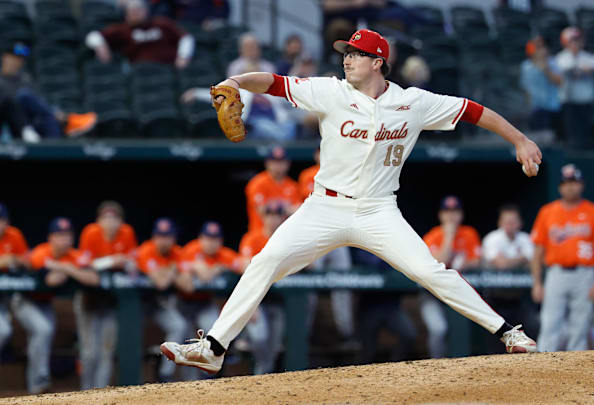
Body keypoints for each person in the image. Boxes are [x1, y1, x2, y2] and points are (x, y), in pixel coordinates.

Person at [161, 28, 541, 374]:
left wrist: (519, 139)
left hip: (378, 209)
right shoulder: (330, 90)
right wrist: (236, 80)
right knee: (265, 262)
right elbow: (274, 83)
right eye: (345, 53)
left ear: (378, 62)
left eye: (356, 54)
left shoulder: (414, 102)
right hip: (324, 207)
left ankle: (508, 332)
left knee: (429, 272)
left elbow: (472, 111)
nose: (346, 59)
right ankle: (213, 347)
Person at [530, 164, 594, 352]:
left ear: (581, 185)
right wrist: (537, 282)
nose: (571, 187)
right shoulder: (547, 212)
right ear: (560, 187)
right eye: (566, 183)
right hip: (556, 272)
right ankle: (543, 364)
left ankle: (576, 368)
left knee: (580, 325)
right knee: (550, 322)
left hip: (584, 273)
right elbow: (537, 251)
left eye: (574, 182)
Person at [26, 217, 99, 394]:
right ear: (50, 238)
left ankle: (37, 386)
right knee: (42, 330)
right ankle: (38, 382)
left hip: (46, 304)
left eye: (67, 235)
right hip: (25, 302)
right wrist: (72, 269)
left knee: (44, 334)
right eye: (59, 235)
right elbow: (51, 280)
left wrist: (64, 267)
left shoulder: (73, 255)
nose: (64, 239)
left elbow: (94, 279)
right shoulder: (40, 253)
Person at [299, 147, 356, 345]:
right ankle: (304, 333)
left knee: (344, 280)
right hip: (315, 234)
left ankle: (346, 332)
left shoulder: (342, 171)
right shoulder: (307, 175)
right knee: (310, 283)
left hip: (338, 234)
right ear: (315, 155)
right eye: (319, 151)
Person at [77, 201, 137, 389]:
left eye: (114, 218)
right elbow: (84, 264)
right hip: (88, 300)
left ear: (121, 221)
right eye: (106, 218)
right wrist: (112, 260)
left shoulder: (127, 232)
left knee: (107, 351)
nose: (110, 223)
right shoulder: (91, 232)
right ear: (98, 220)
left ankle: (99, 393)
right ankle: (85, 393)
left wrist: (126, 263)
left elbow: (134, 265)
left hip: (111, 300)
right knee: (89, 352)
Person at [175, 221, 238, 378]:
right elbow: (182, 280)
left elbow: (244, 264)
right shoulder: (191, 250)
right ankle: (187, 385)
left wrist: (221, 268)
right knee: (187, 343)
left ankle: (210, 378)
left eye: (215, 238)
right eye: (208, 238)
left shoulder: (223, 255)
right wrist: (193, 268)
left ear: (220, 241)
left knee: (214, 332)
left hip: (205, 303)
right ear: (201, 238)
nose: (211, 242)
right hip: (184, 304)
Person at [421, 195, 482, 358]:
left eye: (455, 211)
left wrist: (465, 264)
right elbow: (439, 261)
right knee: (438, 329)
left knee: (463, 329)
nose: (451, 215)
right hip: (433, 294)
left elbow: (477, 261)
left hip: (458, 292)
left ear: (461, 214)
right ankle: (436, 366)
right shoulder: (433, 235)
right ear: (441, 215)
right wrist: (449, 236)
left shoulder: (469, 233)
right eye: (447, 211)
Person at [0, 42, 97, 142]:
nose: (17, 62)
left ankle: (54, 149)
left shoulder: (25, 79)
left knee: (47, 118)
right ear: (5, 58)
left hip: (33, 125)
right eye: (14, 58)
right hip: (12, 125)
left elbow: (39, 101)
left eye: (20, 59)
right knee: (24, 96)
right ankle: (69, 122)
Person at [236, 202, 287, 374]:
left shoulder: (287, 237)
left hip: (278, 300)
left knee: (274, 346)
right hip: (258, 299)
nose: (272, 219)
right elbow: (244, 266)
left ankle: (262, 380)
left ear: (282, 218)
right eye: (269, 215)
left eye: (276, 215)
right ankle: (245, 338)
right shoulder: (252, 238)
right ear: (263, 217)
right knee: (260, 337)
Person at [135, 217, 188, 382]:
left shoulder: (178, 252)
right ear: (154, 237)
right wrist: (172, 271)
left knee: (179, 325)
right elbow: (161, 283)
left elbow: (188, 286)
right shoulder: (146, 251)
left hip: (157, 304)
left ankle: (166, 375)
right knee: (130, 336)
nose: (164, 241)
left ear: (174, 238)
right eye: (160, 236)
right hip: (135, 306)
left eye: (168, 236)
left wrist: (167, 271)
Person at [85, 0, 195, 68]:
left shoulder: (161, 23)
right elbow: (93, 36)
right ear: (126, 15)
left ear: (146, 11)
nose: (136, 14)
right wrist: (101, 46)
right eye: (132, 11)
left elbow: (186, 37)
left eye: (138, 10)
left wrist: (183, 57)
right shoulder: (123, 29)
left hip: (168, 69)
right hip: (139, 71)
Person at [555, 27, 594, 149]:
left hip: (585, 101)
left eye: (578, 40)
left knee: (585, 133)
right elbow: (562, 66)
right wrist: (579, 68)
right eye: (573, 40)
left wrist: (585, 68)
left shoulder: (587, 56)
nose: (576, 43)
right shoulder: (561, 57)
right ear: (566, 42)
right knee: (571, 133)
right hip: (569, 101)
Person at [0, 204, 29, 389]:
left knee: (41, 328)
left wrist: (15, 259)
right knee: (2, 331)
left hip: (14, 297)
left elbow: (28, 261)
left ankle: (39, 387)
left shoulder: (14, 235)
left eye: (1, 220)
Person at [245, 146, 302, 232]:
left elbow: (299, 211)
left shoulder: (293, 186)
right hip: (260, 235)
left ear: (288, 164)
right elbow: (262, 210)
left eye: (281, 161)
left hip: (285, 234)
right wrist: (286, 208)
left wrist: (274, 207)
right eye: (274, 162)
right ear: (267, 163)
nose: (278, 165)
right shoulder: (257, 183)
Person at [520, 36, 563, 132]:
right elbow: (526, 88)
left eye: (542, 47)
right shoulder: (526, 66)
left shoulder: (553, 62)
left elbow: (559, 82)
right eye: (537, 48)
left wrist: (546, 69)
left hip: (553, 106)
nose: (540, 50)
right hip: (536, 108)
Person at [483, 204, 534, 270]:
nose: (510, 224)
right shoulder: (491, 238)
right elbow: (501, 264)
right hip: (495, 279)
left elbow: (533, 262)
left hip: (522, 279)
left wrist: (506, 260)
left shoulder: (526, 238)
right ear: (499, 222)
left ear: (520, 222)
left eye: (513, 221)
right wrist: (522, 259)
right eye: (507, 221)